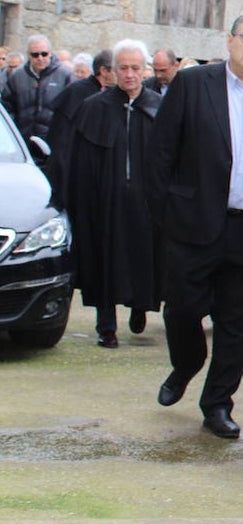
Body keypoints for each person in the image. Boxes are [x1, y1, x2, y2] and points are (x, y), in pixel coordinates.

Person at [148, 14, 243, 439]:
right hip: (194, 225)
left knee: (236, 324)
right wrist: (166, 215)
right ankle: (186, 363)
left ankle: (217, 404)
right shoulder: (194, 84)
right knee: (181, 309)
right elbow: (160, 154)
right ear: (229, 41)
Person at [67, 40, 163, 348]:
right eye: (123, 68)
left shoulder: (158, 107)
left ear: (145, 70)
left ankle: (140, 306)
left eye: (136, 68)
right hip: (106, 201)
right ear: (112, 71)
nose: (130, 75)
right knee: (104, 260)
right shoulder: (94, 108)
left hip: (145, 202)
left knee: (142, 256)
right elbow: (79, 163)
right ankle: (105, 326)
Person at [45, 50, 115, 205]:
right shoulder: (77, 91)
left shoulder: (109, 93)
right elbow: (62, 137)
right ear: (104, 70)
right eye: (117, 69)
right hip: (70, 168)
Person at [2, 34, 73, 146]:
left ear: (50, 53)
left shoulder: (65, 75)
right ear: (28, 55)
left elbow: (72, 109)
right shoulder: (17, 76)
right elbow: (7, 106)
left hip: (55, 141)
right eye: (35, 55)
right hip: (24, 141)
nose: (40, 58)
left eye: (44, 54)